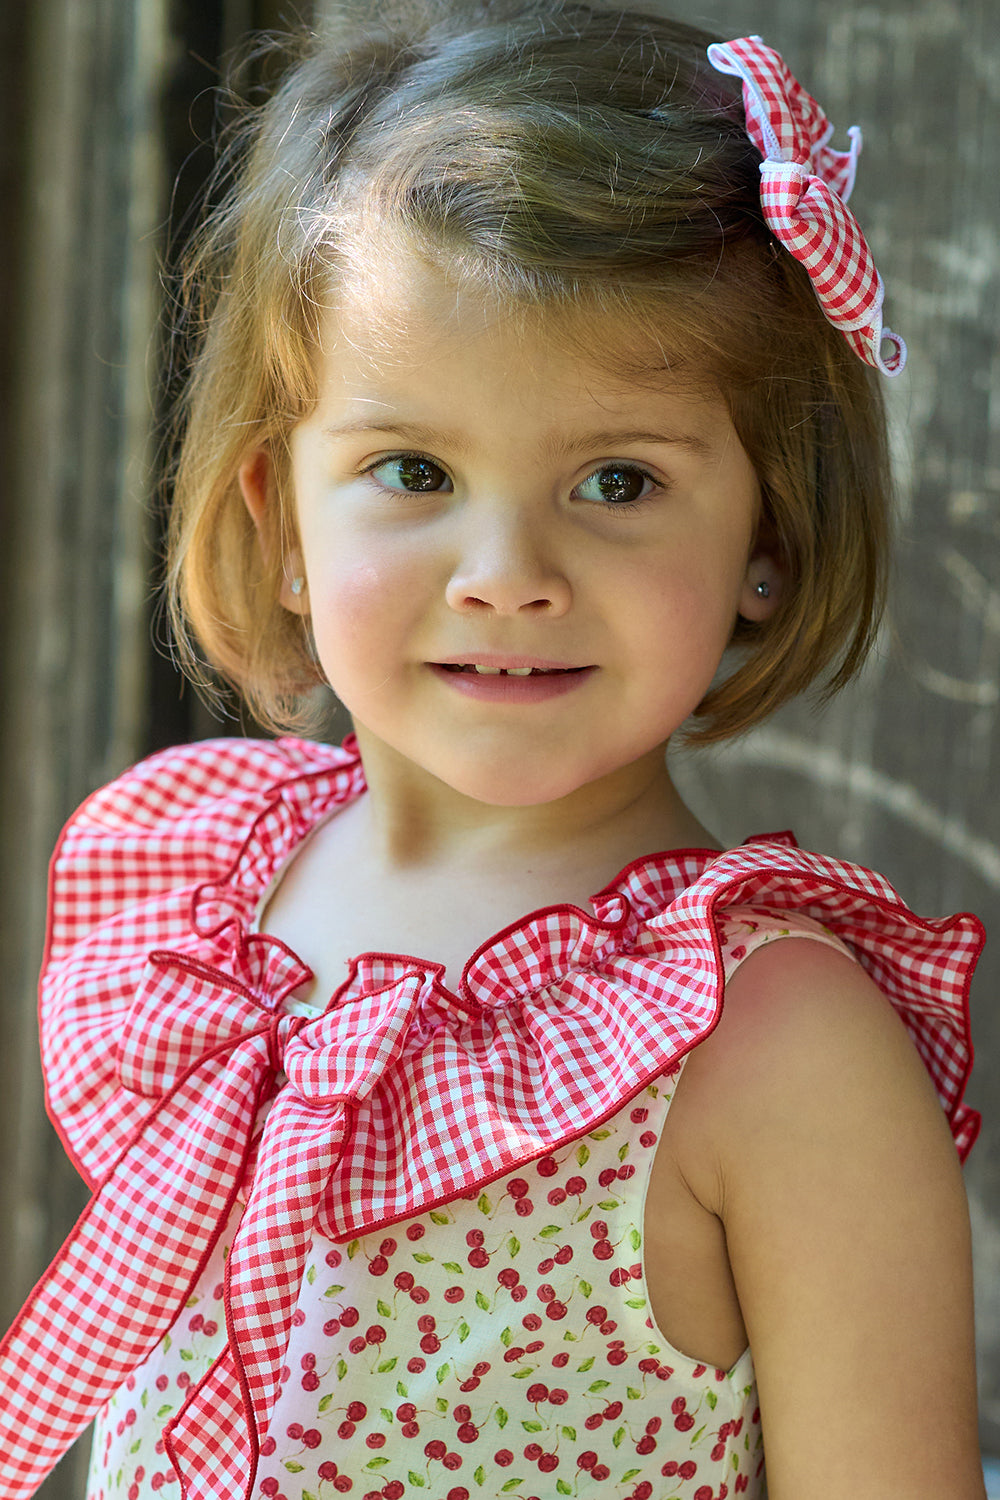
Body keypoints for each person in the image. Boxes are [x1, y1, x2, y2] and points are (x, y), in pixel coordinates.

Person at [0, 4, 987, 1498]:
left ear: (766, 537)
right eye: (413, 471)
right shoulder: (203, 908)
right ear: (279, 522)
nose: (508, 571)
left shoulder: (776, 1049)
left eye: (616, 478)